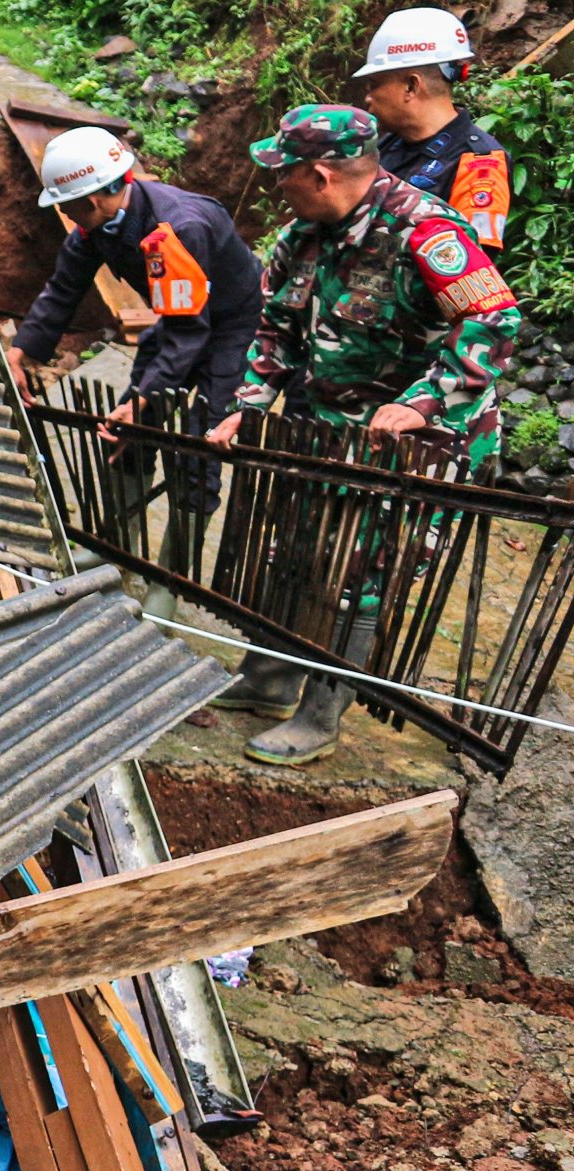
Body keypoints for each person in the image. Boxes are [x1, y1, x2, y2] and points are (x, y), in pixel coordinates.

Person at [207, 103, 523, 765]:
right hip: (331, 423)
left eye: (283, 173)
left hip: (424, 435)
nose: (275, 184)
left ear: (321, 175)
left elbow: (494, 321)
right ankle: (266, 681)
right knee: (295, 550)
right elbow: (275, 335)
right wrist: (248, 405)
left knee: (365, 572)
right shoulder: (302, 235)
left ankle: (321, 716)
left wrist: (423, 402)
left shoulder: (426, 230)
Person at [4, 127, 264, 517]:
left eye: (64, 205)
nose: (62, 212)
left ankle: (171, 570)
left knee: (198, 441)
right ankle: (120, 542)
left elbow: (188, 330)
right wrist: (20, 352)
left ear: (91, 199)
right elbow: (63, 288)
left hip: (232, 327)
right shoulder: (97, 226)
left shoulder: (178, 229)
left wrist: (145, 397)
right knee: (124, 430)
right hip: (180, 319)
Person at [354, 6, 510, 249]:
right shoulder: (383, 147)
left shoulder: (479, 162)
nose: (368, 98)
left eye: (373, 85)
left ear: (411, 86)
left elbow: (472, 260)